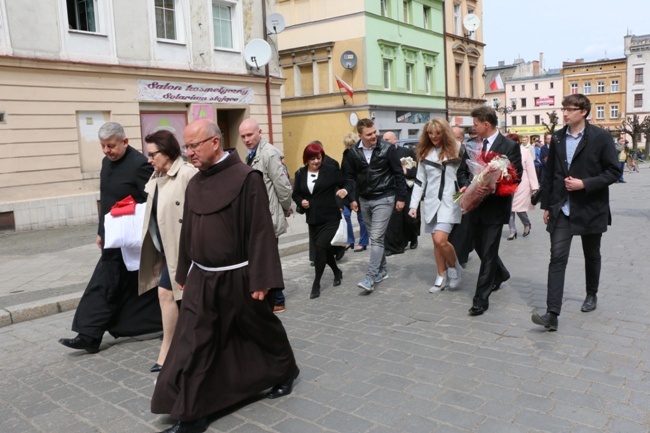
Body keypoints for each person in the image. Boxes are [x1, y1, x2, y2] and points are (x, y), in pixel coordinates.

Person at [151, 119, 299, 433]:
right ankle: (193, 412)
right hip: (202, 278)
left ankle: (285, 370)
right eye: (186, 146)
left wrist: (263, 279)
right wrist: (182, 270)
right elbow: (188, 230)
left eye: (194, 146)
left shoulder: (246, 178)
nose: (188, 152)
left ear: (214, 143)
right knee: (195, 341)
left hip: (238, 277)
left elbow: (260, 231)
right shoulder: (195, 181)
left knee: (259, 329)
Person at [59, 122, 161, 353]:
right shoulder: (106, 163)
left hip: (132, 240)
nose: (107, 150)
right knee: (119, 287)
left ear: (125, 141)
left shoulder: (139, 165)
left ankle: (89, 334)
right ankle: (92, 334)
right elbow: (106, 200)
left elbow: (153, 201)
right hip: (112, 238)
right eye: (103, 146)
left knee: (104, 284)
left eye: (111, 145)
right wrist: (100, 232)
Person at [532, 94, 621, 331]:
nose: (565, 113)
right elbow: (550, 175)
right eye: (564, 109)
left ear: (583, 112)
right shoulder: (558, 138)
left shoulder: (600, 137)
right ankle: (552, 314)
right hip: (562, 208)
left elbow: (613, 171)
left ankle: (591, 294)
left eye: (569, 109)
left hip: (591, 207)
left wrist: (585, 184)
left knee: (591, 254)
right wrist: (548, 207)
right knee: (557, 258)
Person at [138, 130, 197, 373]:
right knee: (168, 295)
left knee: (170, 295)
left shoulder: (187, 174)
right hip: (166, 250)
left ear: (168, 152)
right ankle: (173, 348)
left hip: (186, 252)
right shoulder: (156, 178)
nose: (149, 159)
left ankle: (170, 351)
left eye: (153, 154)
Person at [457, 106, 522, 316]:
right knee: (478, 245)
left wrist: (493, 186)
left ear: (486, 124)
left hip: (495, 207)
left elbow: (515, 176)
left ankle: (481, 298)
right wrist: (467, 186)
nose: (472, 127)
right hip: (474, 205)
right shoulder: (472, 145)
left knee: (490, 249)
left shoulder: (509, 145)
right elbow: (462, 171)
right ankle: (501, 274)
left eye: (475, 124)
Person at [344, 118, 408, 293]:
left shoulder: (387, 149)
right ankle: (383, 270)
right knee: (374, 237)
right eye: (369, 134)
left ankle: (370, 277)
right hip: (364, 199)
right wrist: (352, 198)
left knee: (377, 237)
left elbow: (398, 174)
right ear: (360, 136)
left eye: (375, 132)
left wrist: (401, 197)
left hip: (385, 197)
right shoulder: (353, 153)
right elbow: (349, 177)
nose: (374, 136)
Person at [239, 118, 292, 313]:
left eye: (249, 135)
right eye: (243, 136)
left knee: (269, 258)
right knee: (265, 257)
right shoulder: (252, 155)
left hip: (269, 215)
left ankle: (278, 299)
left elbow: (283, 185)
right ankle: (270, 296)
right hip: (259, 216)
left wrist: (286, 208)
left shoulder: (269, 153)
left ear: (259, 132)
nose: (246, 139)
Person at [408, 119, 463, 292]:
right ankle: (441, 275)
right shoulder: (425, 152)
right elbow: (419, 181)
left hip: (451, 199)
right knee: (436, 242)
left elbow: (465, 175)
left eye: (438, 133)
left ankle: (455, 268)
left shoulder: (458, 148)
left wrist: (461, 196)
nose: (434, 137)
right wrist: (413, 205)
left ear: (444, 133)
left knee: (441, 239)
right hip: (431, 202)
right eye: (430, 133)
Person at [292, 143, 347, 299]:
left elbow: (346, 183)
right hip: (313, 219)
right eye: (312, 158)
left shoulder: (330, 170)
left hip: (330, 217)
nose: (316, 161)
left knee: (320, 247)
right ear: (306, 159)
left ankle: (316, 283)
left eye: (318, 158)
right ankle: (337, 272)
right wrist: (301, 201)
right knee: (324, 249)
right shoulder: (300, 173)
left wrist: (345, 193)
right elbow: (296, 194)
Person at [383, 131, 419, 256]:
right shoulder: (384, 153)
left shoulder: (407, 152)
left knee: (409, 218)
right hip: (393, 189)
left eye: (387, 139)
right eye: (384, 139)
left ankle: (414, 236)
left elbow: (416, 170)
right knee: (396, 219)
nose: (385, 142)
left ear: (395, 140)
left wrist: (406, 172)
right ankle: (399, 243)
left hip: (408, 188)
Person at [447, 126, 474, 268]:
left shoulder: (466, 151)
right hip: (448, 192)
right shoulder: (445, 150)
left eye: (453, 136)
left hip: (461, 191)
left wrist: (466, 189)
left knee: (462, 225)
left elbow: (468, 172)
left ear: (461, 139)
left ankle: (459, 255)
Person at [506, 133, 539, 240]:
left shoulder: (525, 152)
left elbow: (531, 169)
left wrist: (534, 187)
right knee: (509, 208)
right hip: (508, 182)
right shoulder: (505, 153)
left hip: (523, 183)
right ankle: (512, 230)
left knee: (519, 208)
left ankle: (526, 224)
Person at [341, 132, 369, 253]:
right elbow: (344, 174)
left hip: (359, 190)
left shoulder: (360, 155)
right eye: (347, 145)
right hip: (347, 190)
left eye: (351, 145)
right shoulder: (346, 154)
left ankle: (363, 242)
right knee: (345, 216)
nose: (349, 148)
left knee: (361, 219)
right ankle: (350, 240)